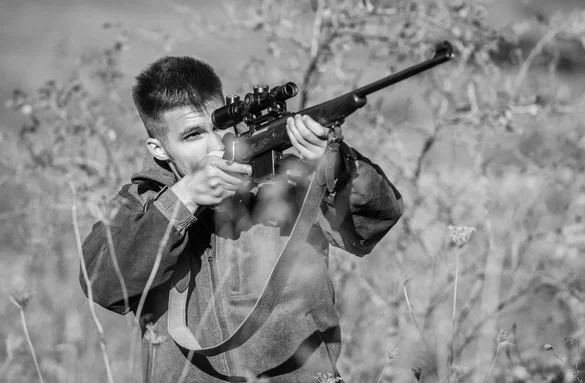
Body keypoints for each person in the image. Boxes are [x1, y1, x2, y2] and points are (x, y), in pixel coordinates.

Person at [81, 56, 403, 382]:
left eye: (218, 127)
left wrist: (337, 164)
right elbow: (101, 283)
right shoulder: (139, 206)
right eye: (193, 135)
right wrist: (185, 198)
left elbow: (374, 220)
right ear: (159, 148)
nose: (214, 145)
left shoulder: (287, 180)